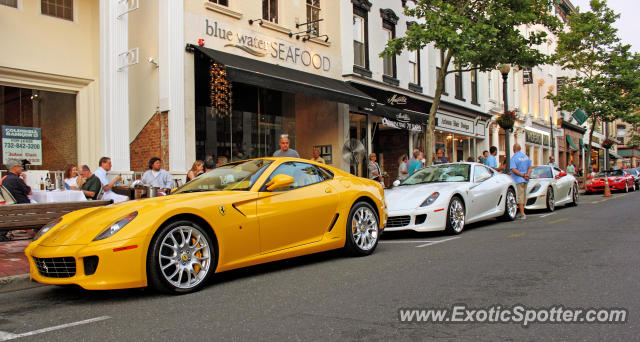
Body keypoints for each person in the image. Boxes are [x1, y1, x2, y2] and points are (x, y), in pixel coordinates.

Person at [510, 144, 532, 220]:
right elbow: (530, 167)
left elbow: (514, 169)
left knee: (519, 196)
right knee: (524, 195)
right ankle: (522, 212)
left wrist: (522, 175)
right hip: (526, 179)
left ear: (513, 149)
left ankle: (522, 213)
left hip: (518, 180)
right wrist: (527, 174)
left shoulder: (513, 158)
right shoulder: (526, 157)